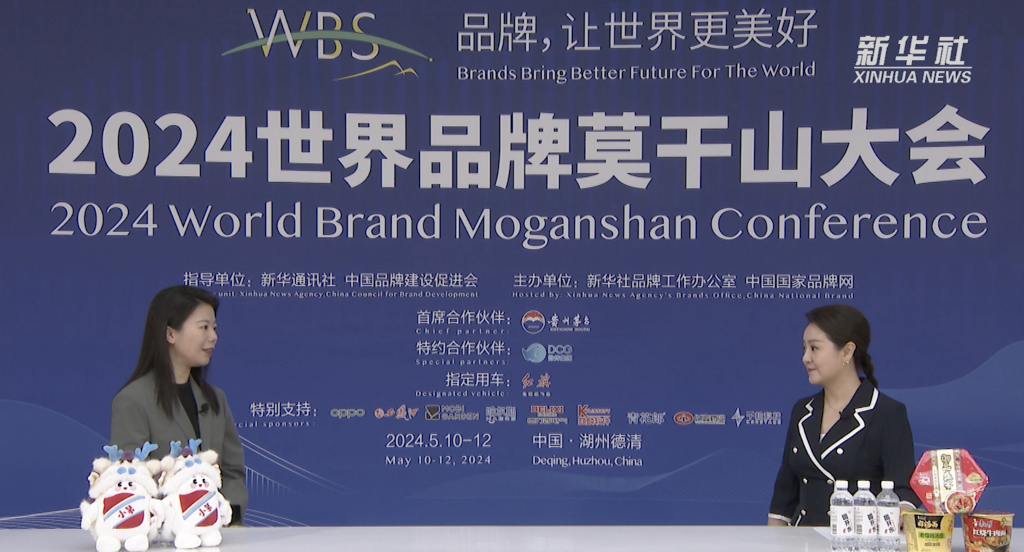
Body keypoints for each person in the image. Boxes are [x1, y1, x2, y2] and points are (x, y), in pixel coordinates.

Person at [767, 304, 920, 527]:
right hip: (801, 539)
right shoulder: (803, 410)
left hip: (859, 539)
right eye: (804, 348)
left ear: (847, 351)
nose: (805, 358)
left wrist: (898, 516)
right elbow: (783, 498)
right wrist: (773, 540)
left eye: (814, 348)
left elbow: (903, 490)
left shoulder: (887, 413)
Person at [110, 285, 247, 524]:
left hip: (218, 532)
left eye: (214, 328)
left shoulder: (215, 399)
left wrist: (227, 516)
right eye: (204, 327)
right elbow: (130, 481)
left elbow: (232, 471)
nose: (213, 337)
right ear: (170, 334)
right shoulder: (133, 400)